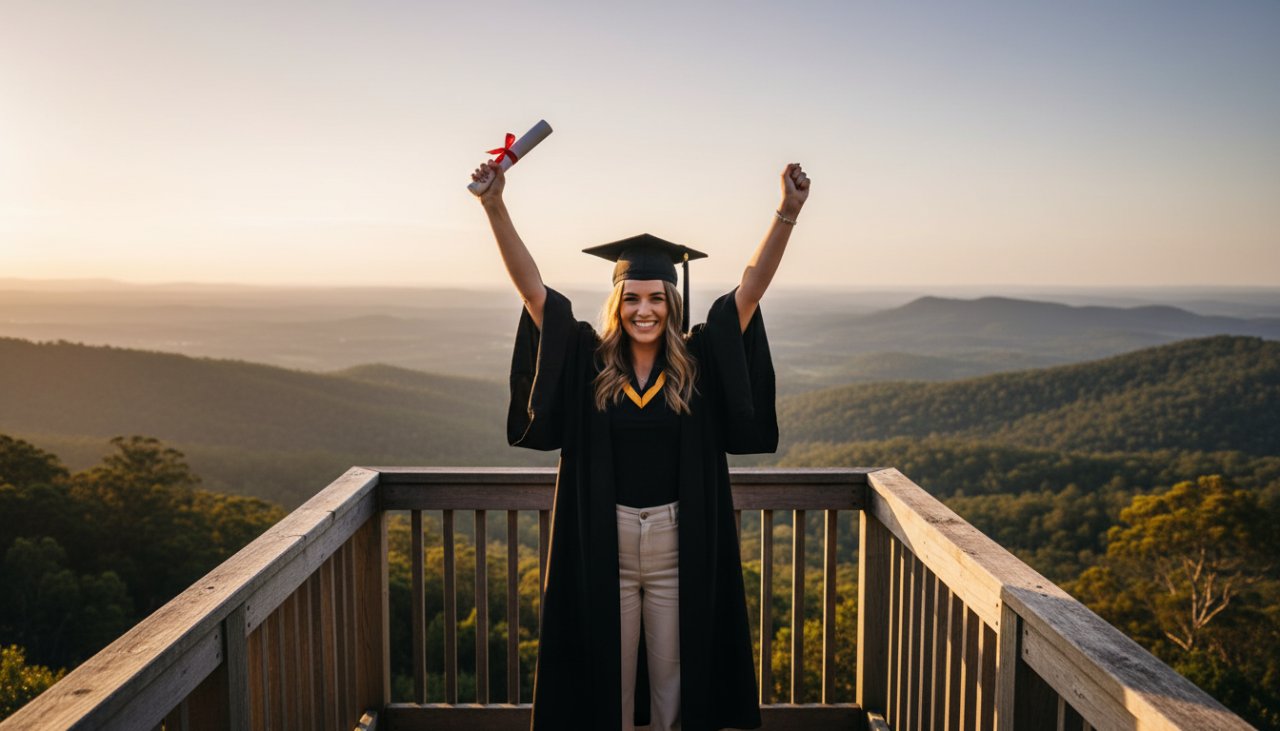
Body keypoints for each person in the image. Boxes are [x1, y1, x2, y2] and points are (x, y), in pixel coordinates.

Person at [470, 158, 809, 731]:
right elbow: (534, 293)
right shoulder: (588, 361)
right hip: (608, 545)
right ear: (617, 303)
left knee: (675, 682)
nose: (644, 310)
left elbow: (748, 290)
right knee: (610, 682)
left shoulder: (697, 362)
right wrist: (494, 205)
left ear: (672, 303)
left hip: (680, 544)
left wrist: (787, 213)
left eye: (655, 299)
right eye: (632, 299)